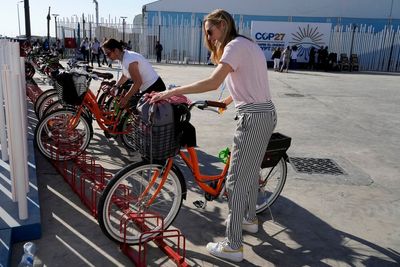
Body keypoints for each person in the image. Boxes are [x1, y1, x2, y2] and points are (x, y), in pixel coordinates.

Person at [149, 9, 277, 263]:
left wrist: (168, 93)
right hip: (264, 112)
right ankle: (249, 219)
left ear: (223, 25)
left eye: (210, 30)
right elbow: (251, 80)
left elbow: (212, 81)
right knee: (249, 173)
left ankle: (233, 246)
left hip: (253, 117)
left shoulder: (232, 47)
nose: (208, 36)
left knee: (235, 181)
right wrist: (228, 101)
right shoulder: (247, 44)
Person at [102, 38, 166, 109]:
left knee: (144, 115)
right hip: (149, 88)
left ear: (116, 50)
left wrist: (126, 98)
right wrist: (116, 86)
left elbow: (138, 82)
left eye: (108, 54)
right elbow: (125, 75)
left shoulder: (129, 59)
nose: (107, 56)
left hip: (155, 87)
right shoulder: (123, 57)